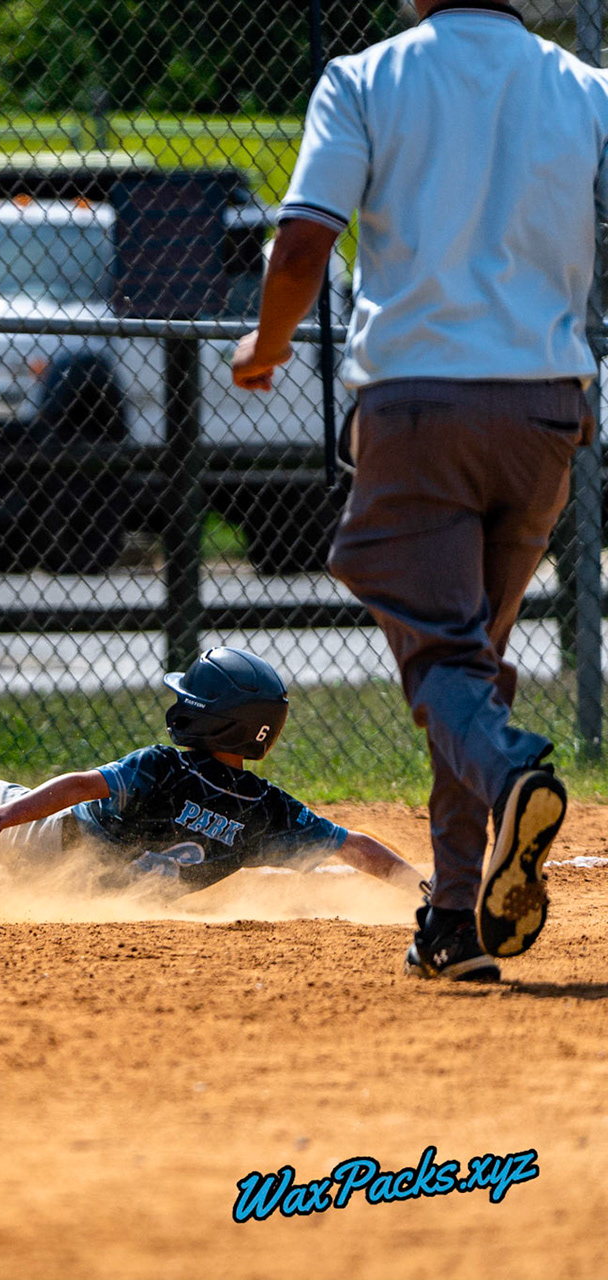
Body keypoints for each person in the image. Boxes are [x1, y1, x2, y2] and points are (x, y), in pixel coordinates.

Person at [231, 0, 598, 981]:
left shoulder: (364, 78)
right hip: (545, 413)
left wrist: (264, 348)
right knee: (469, 664)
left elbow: (304, 245)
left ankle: (516, 769)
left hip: (419, 407)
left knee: (443, 660)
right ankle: (452, 919)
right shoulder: (583, 86)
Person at [0, 648, 428, 900]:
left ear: (206, 721)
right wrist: (424, 888)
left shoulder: (163, 767)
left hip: (52, 848)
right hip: (100, 895)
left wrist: (4, 816)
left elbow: (76, 786)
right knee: (264, 865)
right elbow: (357, 848)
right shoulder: (271, 811)